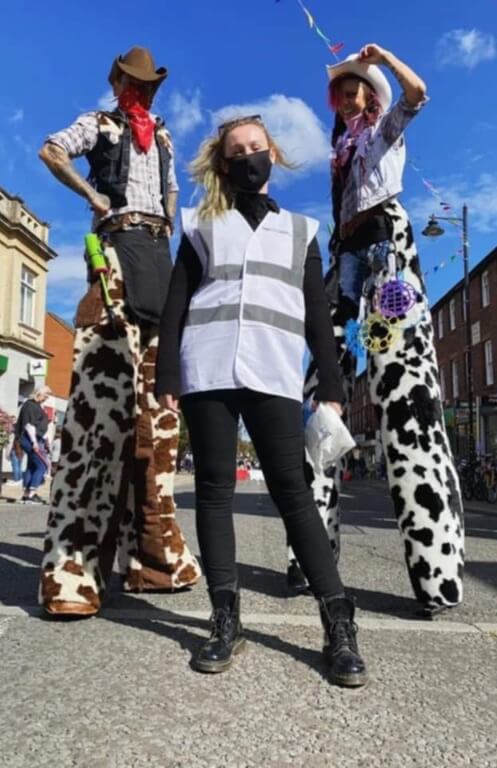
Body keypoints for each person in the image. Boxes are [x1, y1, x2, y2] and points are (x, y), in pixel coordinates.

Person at [155, 115, 368, 687]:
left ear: (271, 152)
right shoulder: (201, 224)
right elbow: (177, 303)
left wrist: (331, 382)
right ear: (224, 163)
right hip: (208, 367)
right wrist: (166, 375)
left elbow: (319, 315)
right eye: (236, 151)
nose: (248, 157)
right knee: (214, 493)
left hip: (273, 372)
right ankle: (225, 619)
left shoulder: (302, 230)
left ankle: (338, 621)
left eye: (257, 147)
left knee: (293, 494)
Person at [300, 44, 464, 617]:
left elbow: (419, 95)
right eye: (341, 91)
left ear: (370, 95)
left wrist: (387, 58)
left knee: (407, 400)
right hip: (347, 256)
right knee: (322, 391)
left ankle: (436, 571)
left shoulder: (387, 129)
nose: (347, 98)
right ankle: (312, 555)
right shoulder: (339, 148)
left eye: (355, 89)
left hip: (388, 259)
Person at [37, 46, 201, 618]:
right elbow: (50, 150)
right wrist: (90, 196)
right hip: (113, 250)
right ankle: (72, 569)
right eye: (133, 82)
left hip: (158, 254)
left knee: (158, 414)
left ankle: (153, 559)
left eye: (150, 84)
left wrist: (177, 224)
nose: (143, 91)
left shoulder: (165, 135)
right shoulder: (99, 124)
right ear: (117, 82)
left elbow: (174, 187)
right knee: (99, 415)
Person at [14, 387, 51, 504]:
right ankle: (31, 494)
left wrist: (43, 440)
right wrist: (34, 442)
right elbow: (29, 426)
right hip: (29, 439)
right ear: (39, 393)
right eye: (46, 395)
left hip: (30, 438)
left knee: (32, 466)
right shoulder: (30, 405)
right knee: (42, 465)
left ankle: (26, 495)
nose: (47, 398)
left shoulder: (34, 405)